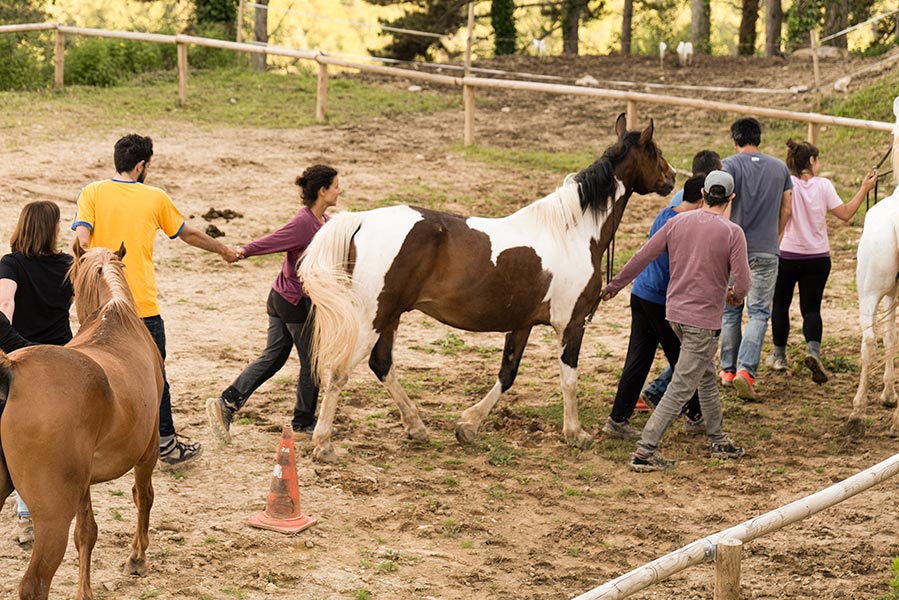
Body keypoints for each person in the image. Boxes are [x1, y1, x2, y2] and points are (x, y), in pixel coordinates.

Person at [72, 134, 240, 471]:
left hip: (97, 306)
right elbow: (188, 234)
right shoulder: (154, 197)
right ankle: (166, 443)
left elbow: (81, 237)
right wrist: (223, 250)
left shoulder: (92, 192)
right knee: (154, 376)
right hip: (140, 305)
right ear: (141, 165)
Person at [602, 171, 751, 472]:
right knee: (681, 387)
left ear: (703, 194)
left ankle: (718, 438)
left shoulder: (676, 222)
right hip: (703, 320)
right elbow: (744, 282)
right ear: (730, 198)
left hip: (674, 316)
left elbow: (642, 256)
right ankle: (644, 451)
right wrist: (735, 295)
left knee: (706, 375)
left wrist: (614, 286)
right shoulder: (732, 232)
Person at [206, 165, 341, 443]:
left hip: (280, 296)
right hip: (293, 302)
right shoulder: (304, 222)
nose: (341, 190)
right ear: (322, 191)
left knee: (274, 357)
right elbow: (274, 241)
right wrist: (242, 251)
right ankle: (303, 420)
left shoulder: (324, 221)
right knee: (312, 362)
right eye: (336, 186)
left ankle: (226, 402)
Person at [602, 174, 707, 440]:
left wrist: (616, 284)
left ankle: (618, 419)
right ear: (703, 197)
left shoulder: (665, 214)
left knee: (639, 358)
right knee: (684, 361)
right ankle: (695, 416)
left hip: (641, 294)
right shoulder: (686, 226)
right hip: (661, 301)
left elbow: (644, 254)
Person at [769, 140, 877, 383]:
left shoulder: (787, 184)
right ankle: (813, 351)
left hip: (787, 255)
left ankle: (778, 356)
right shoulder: (824, 186)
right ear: (811, 161)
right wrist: (864, 188)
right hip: (817, 257)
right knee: (811, 308)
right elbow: (847, 214)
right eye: (817, 160)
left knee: (780, 305)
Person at [0, 200, 73, 545]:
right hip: (61, 361)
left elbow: (5, 304)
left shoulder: (11, 264)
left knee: (19, 441)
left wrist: (14, 346)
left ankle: (27, 517)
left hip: (22, 361)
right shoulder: (68, 265)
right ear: (51, 229)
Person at [641, 150, 724, 406]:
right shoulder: (702, 208)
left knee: (676, 354)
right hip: (680, 291)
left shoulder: (678, 200)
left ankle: (661, 399)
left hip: (657, 287)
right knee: (691, 354)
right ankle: (684, 407)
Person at [719, 117, 793, 400]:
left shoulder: (728, 166)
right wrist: (775, 236)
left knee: (731, 311)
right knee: (760, 313)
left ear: (734, 139)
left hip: (734, 250)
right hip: (766, 250)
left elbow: (722, 205)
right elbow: (787, 208)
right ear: (758, 138)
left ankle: (727, 370)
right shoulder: (779, 167)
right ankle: (746, 371)